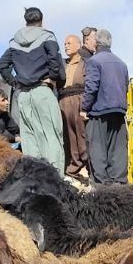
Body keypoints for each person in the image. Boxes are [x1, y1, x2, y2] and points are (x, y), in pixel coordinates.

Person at [0, 6, 64, 171]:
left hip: (24, 95)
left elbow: (2, 65)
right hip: (42, 90)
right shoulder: (47, 36)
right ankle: (55, 178)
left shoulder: (14, 42)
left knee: (29, 138)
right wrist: (53, 77)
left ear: (25, 21)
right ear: (41, 20)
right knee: (52, 136)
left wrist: (14, 82)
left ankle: (35, 179)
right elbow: (55, 60)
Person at [82, 27, 127, 185]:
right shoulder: (122, 63)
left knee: (98, 148)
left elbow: (91, 87)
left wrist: (84, 108)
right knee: (118, 149)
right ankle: (119, 183)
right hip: (119, 110)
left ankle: (102, 184)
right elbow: (125, 86)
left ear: (96, 43)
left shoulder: (94, 61)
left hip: (99, 110)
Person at [59, 32, 89, 176]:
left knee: (82, 133)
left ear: (78, 45)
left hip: (79, 99)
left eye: (69, 43)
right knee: (68, 134)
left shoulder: (85, 63)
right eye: (65, 44)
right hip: (64, 100)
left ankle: (87, 162)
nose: (66, 46)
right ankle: (73, 166)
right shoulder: (63, 64)